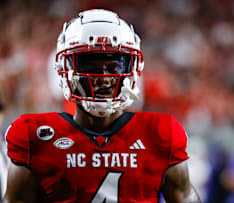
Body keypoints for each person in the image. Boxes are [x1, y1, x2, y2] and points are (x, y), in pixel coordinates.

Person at [3, 9, 201, 203]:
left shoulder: (160, 133)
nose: (104, 78)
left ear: (133, 68)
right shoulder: (35, 137)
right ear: (65, 69)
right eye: (90, 65)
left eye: (114, 66)